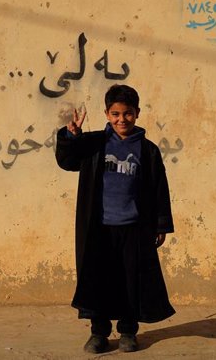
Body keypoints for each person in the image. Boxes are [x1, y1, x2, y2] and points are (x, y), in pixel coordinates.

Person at [55, 84, 175, 353]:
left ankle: (128, 331)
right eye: (116, 114)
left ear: (137, 113)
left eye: (128, 114)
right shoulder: (95, 144)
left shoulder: (148, 151)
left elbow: (159, 189)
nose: (122, 119)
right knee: (98, 280)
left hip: (134, 228)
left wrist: (161, 224)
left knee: (130, 281)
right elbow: (67, 160)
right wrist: (71, 136)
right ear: (107, 114)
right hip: (99, 227)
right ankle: (99, 333)